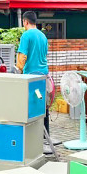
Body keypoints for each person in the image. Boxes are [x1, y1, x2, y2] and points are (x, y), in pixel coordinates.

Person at [17, 11, 54, 147]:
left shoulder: (26, 35)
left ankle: (34, 137)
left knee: (31, 105)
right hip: (43, 75)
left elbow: (22, 56)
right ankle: (45, 135)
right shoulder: (43, 36)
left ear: (25, 22)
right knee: (42, 103)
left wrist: (17, 71)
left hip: (30, 76)